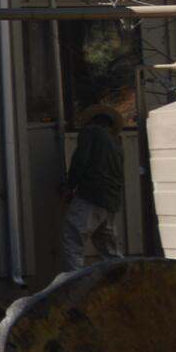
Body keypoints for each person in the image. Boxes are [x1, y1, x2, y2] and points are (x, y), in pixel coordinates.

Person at [58, 105, 127, 271]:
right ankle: (124, 281)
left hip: (91, 195)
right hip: (111, 201)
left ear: (91, 121)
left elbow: (80, 160)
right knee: (108, 248)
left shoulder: (91, 132)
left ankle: (75, 283)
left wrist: (69, 186)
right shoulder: (116, 144)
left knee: (72, 237)